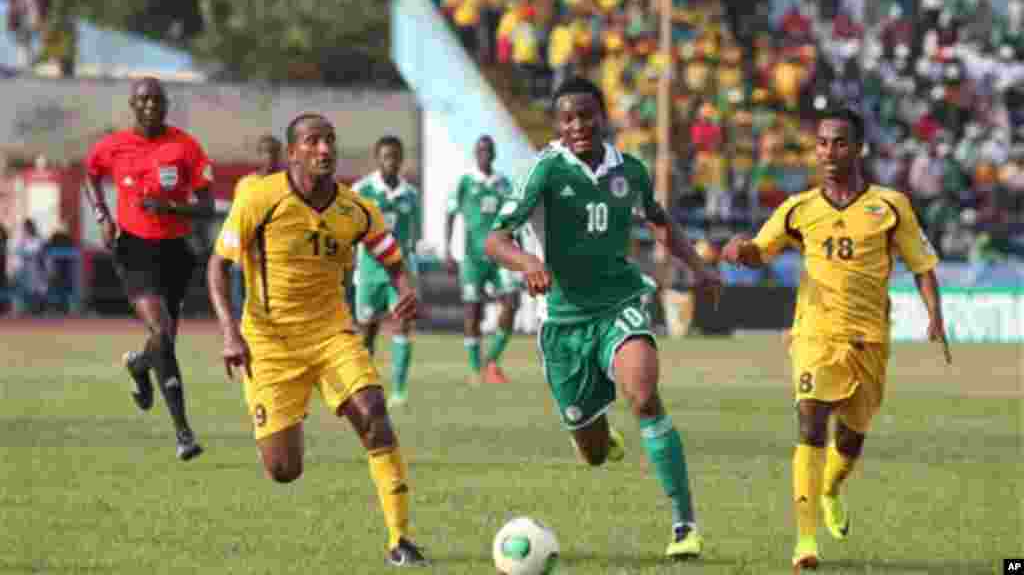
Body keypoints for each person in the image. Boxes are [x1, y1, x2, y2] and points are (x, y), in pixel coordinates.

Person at [485, 77, 721, 560]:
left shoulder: (629, 170)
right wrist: (528, 263)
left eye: (587, 115)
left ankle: (684, 526)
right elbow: (495, 239)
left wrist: (698, 266)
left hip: (620, 302)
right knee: (592, 452)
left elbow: (657, 219)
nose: (578, 126)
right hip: (563, 322)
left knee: (644, 395)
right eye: (568, 118)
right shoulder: (543, 172)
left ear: (602, 116)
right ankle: (598, 434)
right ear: (557, 125)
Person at [720, 105, 947, 571]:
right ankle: (805, 543)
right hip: (814, 334)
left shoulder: (889, 206)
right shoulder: (798, 209)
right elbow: (761, 251)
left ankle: (831, 489)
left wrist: (934, 318)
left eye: (839, 142)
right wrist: (741, 251)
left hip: (869, 338)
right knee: (809, 422)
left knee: (852, 436)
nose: (828, 151)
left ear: (858, 148)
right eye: (822, 142)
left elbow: (923, 265)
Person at [206, 114, 428, 567]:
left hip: (332, 335)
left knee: (375, 416)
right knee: (284, 470)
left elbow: (391, 257)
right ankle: (284, 413)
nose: (324, 149)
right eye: (312, 141)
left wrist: (406, 288)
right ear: (293, 153)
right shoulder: (258, 198)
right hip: (269, 345)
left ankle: (400, 539)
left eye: (329, 140)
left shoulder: (357, 208)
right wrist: (230, 333)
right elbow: (218, 266)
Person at [84, 77, 215, 461]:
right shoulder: (114, 146)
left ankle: (140, 365)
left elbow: (206, 207)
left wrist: (173, 209)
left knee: (164, 341)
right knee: (160, 330)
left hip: (175, 251)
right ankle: (183, 433)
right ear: (132, 104)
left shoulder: (185, 147)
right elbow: (89, 173)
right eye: (143, 99)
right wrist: (102, 215)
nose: (150, 105)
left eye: (157, 99)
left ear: (166, 104)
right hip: (133, 249)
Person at [445, 135, 521, 386]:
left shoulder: (503, 184)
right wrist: (448, 250)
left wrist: (517, 247)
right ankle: (477, 370)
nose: (484, 154)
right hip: (472, 258)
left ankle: (491, 360)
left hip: (500, 255)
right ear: (475, 154)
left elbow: (514, 217)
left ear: (494, 154)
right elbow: (451, 214)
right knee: (472, 311)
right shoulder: (465, 182)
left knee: (512, 301)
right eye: (480, 150)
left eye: (488, 150)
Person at [352, 136, 421, 407]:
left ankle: (399, 391)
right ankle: (365, 388)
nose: (391, 162)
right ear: (377, 158)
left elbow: (413, 239)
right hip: (369, 272)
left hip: (399, 274)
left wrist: (411, 276)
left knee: (402, 325)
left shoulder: (411, 195)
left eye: (395, 157)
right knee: (367, 331)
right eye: (386, 157)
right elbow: (350, 232)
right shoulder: (362, 190)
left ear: (401, 159)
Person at [229, 135, 283, 319]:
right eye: (266, 153)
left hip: (277, 260)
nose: (270, 157)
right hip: (246, 260)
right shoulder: (246, 184)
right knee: (244, 314)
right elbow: (238, 219)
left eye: (274, 153)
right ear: (259, 155)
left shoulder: (289, 183)